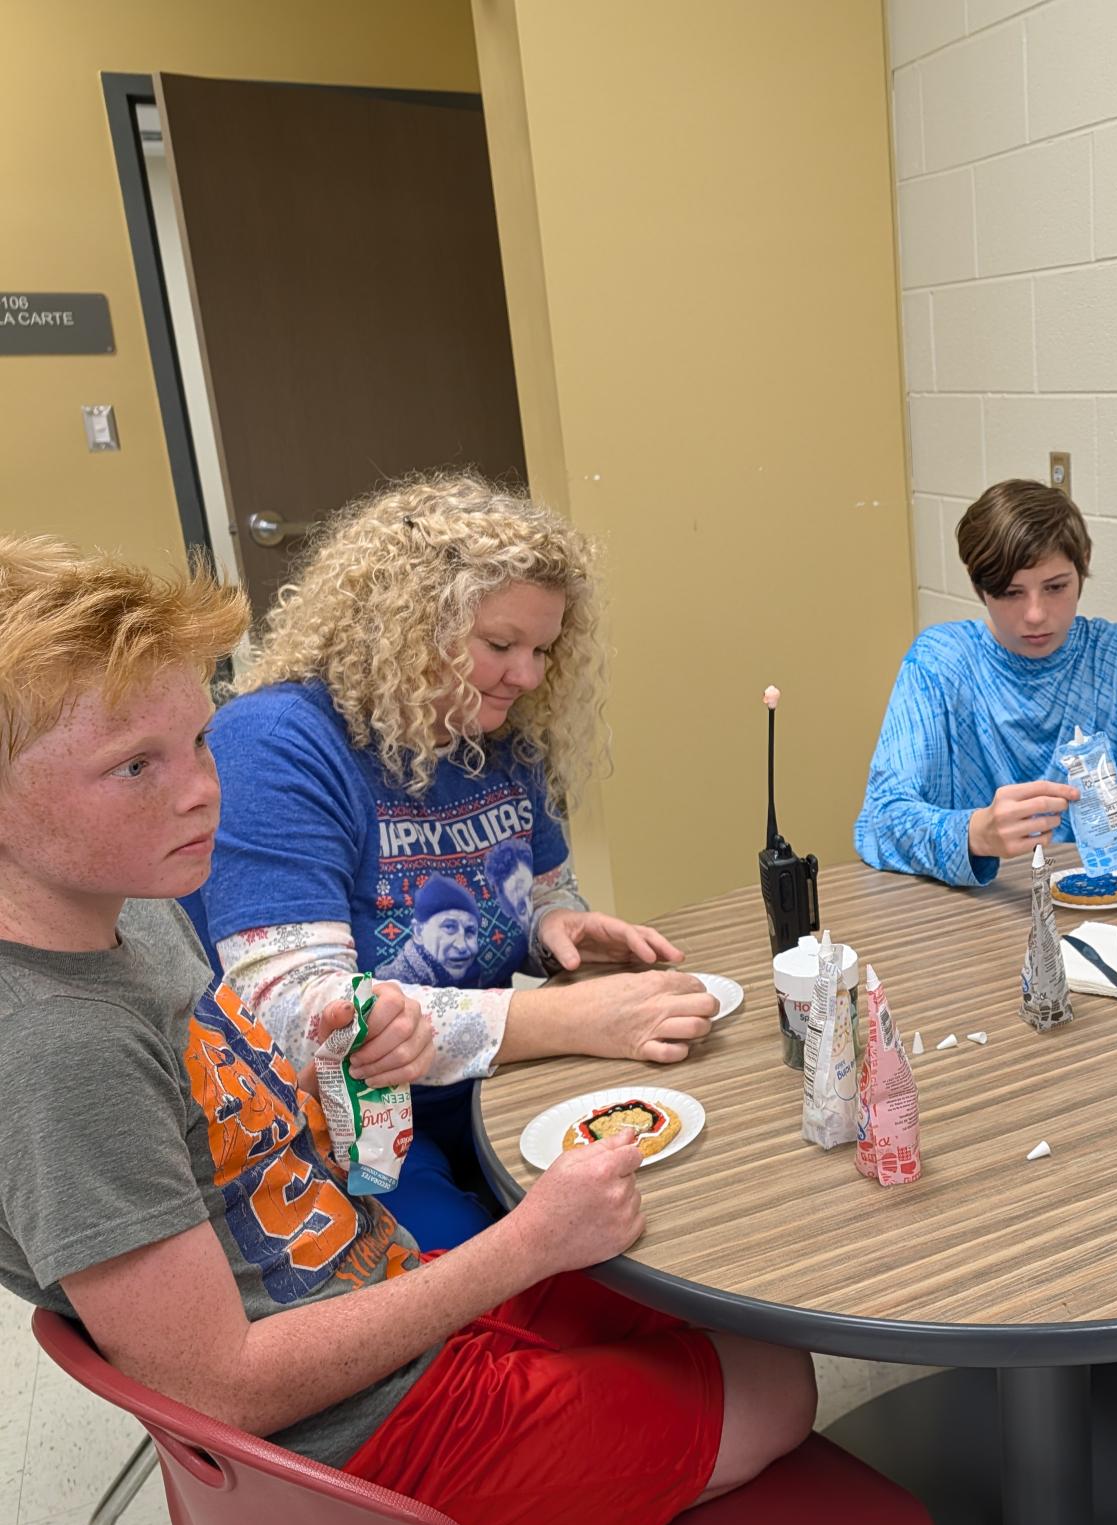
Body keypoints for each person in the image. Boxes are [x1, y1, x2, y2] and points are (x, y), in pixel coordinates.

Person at [0, 537, 815, 1525]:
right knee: (778, 1390)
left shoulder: (128, 900)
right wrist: (527, 1244)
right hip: (359, 1433)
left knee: (729, 1328)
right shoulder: (55, 1046)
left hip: (369, 1279)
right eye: (135, 765)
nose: (202, 789)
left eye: (200, 742)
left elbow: (219, 1131)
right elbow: (227, 1389)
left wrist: (341, 1067)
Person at [183, 475, 717, 1249]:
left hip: (481, 1094)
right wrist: (562, 1016)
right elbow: (302, 1010)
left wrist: (555, 924)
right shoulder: (276, 747)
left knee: (673, 1213)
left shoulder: (494, 734)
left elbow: (540, 886)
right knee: (499, 1288)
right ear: (399, 630)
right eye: (500, 646)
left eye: (543, 650)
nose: (528, 676)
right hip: (342, 1134)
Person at [855, 478, 1117, 886]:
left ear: (1083, 565)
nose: (1035, 615)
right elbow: (879, 823)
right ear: (978, 585)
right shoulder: (940, 664)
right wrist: (974, 833)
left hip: (1111, 914)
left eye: (1055, 587)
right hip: (978, 919)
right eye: (1010, 593)